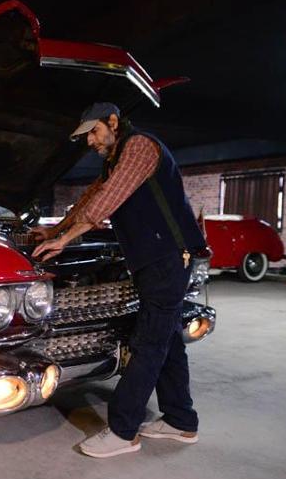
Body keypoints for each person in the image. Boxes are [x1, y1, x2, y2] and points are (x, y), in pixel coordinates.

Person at [32, 102, 206, 458]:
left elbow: (107, 202)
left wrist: (64, 241)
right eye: (86, 137)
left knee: (148, 343)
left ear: (113, 122)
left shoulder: (140, 147)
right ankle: (180, 420)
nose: (90, 142)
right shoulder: (114, 161)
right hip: (156, 262)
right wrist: (54, 230)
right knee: (168, 341)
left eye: (94, 132)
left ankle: (123, 431)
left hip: (167, 259)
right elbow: (90, 198)